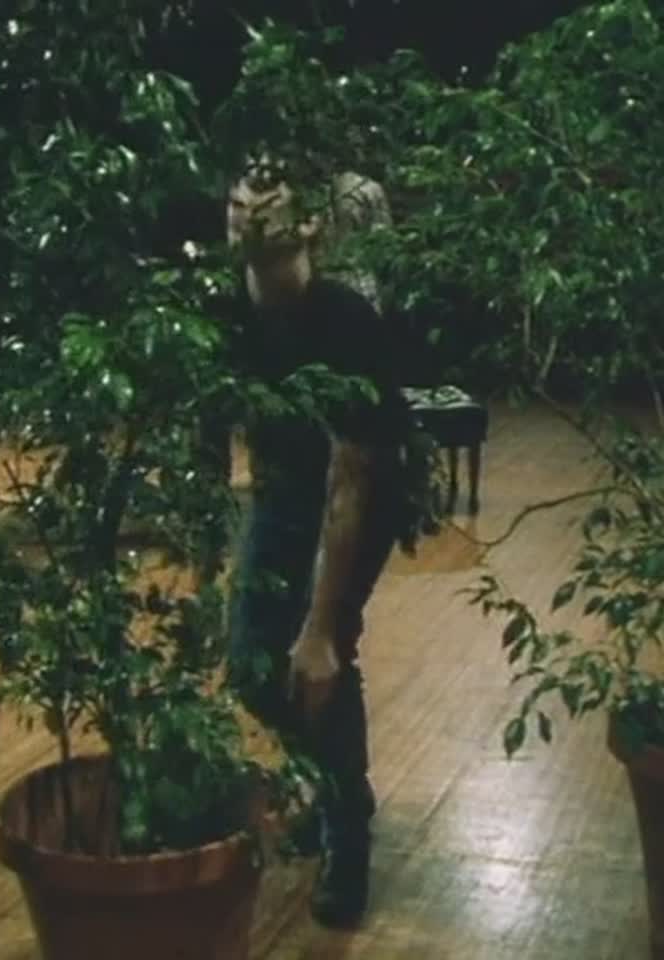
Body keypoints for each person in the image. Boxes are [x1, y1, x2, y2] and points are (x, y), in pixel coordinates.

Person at [223, 158, 406, 928]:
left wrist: (322, 626)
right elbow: (212, 428)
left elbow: (351, 477)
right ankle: (329, 783)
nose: (250, 208)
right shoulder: (229, 309)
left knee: (318, 663)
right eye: (240, 197)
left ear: (309, 225)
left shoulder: (344, 320)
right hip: (280, 492)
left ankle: (345, 834)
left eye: (269, 200)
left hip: (360, 493)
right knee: (248, 664)